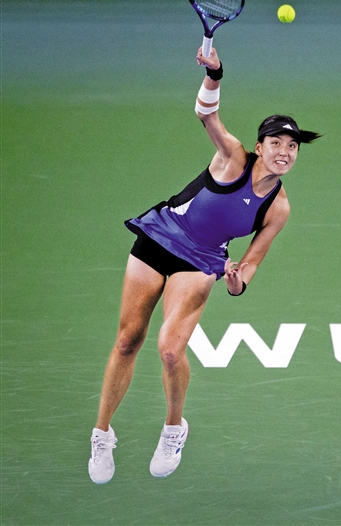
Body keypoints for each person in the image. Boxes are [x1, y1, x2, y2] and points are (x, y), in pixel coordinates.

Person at [88, 47, 321, 484]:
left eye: (292, 146)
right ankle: (101, 434)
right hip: (160, 236)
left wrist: (236, 282)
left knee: (170, 350)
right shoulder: (232, 157)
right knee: (127, 340)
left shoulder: (279, 208)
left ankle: (174, 428)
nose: (285, 151)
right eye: (276, 143)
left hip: (201, 261)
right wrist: (215, 73)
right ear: (259, 146)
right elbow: (206, 115)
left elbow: (250, 264)